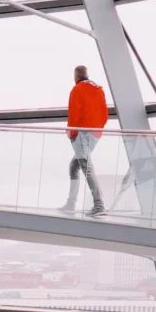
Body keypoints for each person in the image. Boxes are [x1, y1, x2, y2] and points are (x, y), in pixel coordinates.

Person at [59, 65, 108, 217]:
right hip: (95, 134)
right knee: (74, 165)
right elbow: (105, 114)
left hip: (82, 133)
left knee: (86, 167)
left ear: (75, 77)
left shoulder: (77, 90)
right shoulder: (99, 89)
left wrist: (72, 133)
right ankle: (71, 203)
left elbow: (74, 113)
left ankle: (99, 205)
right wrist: (97, 130)